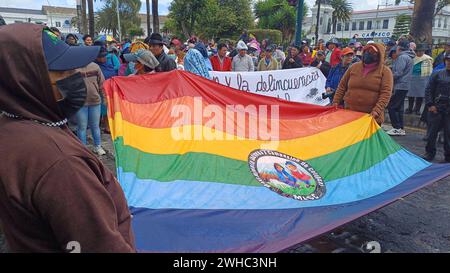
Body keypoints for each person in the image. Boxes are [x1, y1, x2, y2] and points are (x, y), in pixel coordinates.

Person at [0, 24, 135, 252]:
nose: (76, 77)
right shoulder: (61, 164)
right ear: (26, 79)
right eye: (63, 71)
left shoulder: (12, 126)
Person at [333, 43, 393, 125]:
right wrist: (336, 102)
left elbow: (386, 93)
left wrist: (377, 110)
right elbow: (342, 86)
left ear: (379, 55)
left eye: (372, 52)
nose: (367, 54)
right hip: (350, 114)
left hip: (371, 117)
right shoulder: (353, 67)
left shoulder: (385, 71)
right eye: (365, 51)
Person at [422, 52, 450, 163]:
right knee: (431, 134)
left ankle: (448, 157)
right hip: (436, 108)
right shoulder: (437, 74)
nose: (449, 63)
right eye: (447, 60)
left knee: (448, 135)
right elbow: (428, 90)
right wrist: (430, 104)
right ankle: (429, 153)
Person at [76, 56, 106, 156]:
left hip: (95, 101)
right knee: (82, 127)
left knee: (95, 126)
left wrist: (105, 98)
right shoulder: (73, 68)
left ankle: (97, 146)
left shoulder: (95, 66)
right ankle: (83, 150)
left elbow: (102, 83)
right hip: (80, 103)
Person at [386, 39, 415, 136]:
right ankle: (400, 127)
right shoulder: (410, 57)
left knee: (392, 106)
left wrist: (389, 77)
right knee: (399, 108)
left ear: (399, 48)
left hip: (400, 85)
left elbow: (398, 73)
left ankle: (396, 127)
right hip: (405, 85)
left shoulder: (402, 57)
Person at [406, 43, 434, 115]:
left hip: (423, 79)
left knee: (420, 95)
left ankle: (417, 109)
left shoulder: (427, 58)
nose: (420, 52)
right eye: (418, 51)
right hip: (412, 78)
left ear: (424, 51)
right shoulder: (412, 58)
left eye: (421, 51)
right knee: (410, 94)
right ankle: (410, 108)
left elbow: (429, 70)